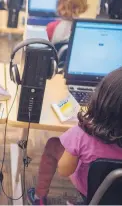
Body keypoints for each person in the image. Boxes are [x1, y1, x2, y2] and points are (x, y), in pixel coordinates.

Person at [27, 67, 122, 205]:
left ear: (101, 99)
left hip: (92, 192)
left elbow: (64, 171)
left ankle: (39, 198)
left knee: (53, 145)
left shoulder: (82, 135)